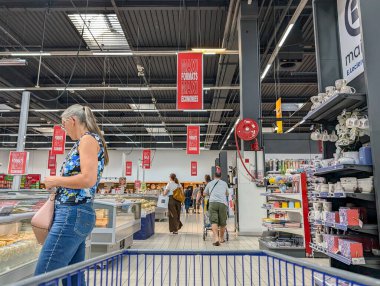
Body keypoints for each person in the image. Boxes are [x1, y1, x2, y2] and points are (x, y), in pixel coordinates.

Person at [34, 104, 109, 285]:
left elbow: (88, 179)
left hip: (71, 213)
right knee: (73, 276)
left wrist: (56, 180)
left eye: (63, 124)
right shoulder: (87, 141)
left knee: (44, 274)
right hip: (77, 213)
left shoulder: (87, 140)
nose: (63, 129)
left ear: (72, 120)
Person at [204, 172, 229, 246]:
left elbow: (204, 193)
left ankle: (216, 238)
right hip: (222, 203)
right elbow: (227, 193)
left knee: (214, 221)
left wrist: (211, 194)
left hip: (213, 203)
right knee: (222, 222)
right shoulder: (224, 183)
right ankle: (221, 238)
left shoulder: (210, 183)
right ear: (221, 176)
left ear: (214, 176)